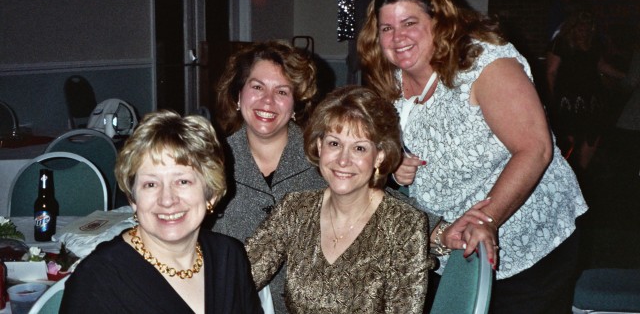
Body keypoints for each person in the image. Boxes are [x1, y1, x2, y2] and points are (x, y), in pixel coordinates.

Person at [357, 0, 588, 313]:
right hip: (449, 246)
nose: (398, 37)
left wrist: (487, 220)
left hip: (529, 243)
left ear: (437, 23)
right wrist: (397, 162)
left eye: (410, 23)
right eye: (386, 28)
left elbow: (534, 149)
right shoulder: (389, 78)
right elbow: (396, 142)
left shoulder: (483, 64)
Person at [244, 85, 438, 313]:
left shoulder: (404, 225)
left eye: (359, 148)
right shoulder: (295, 209)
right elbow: (238, 278)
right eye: (334, 144)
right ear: (319, 146)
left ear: (380, 156)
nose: (343, 160)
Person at [60, 110, 262, 314]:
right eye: (150, 184)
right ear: (133, 198)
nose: (167, 199)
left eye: (182, 181)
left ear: (210, 193)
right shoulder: (97, 279)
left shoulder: (229, 257)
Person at [213, 40, 327, 313]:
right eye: (257, 87)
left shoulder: (323, 157)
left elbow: (372, 199)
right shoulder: (211, 161)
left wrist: (437, 230)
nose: (267, 101)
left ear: (295, 104)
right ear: (238, 96)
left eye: (282, 91)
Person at [547, 9, 626, 175]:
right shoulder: (561, 44)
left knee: (592, 137)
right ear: (573, 27)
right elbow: (551, 71)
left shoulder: (594, 45)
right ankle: (563, 176)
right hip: (568, 100)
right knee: (568, 139)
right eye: (580, 27)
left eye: (587, 27)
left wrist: (626, 76)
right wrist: (549, 97)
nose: (583, 31)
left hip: (592, 100)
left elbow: (601, 66)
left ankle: (581, 176)